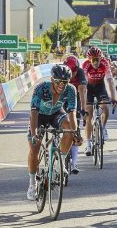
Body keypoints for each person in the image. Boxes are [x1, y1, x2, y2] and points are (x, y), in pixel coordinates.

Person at [26, 65, 77, 200]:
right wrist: (35, 133)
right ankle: (32, 184)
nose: (62, 85)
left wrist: (75, 132)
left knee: (70, 131)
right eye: (58, 81)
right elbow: (34, 112)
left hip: (56, 114)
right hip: (39, 116)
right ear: (51, 79)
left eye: (65, 82)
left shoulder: (71, 90)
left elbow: (72, 113)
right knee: (34, 149)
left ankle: (59, 162)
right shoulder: (41, 88)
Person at [82, 46, 116, 155]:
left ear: (101, 58)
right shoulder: (85, 65)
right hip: (89, 88)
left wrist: (113, 98)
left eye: (97, 59)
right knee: (89, 114)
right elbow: (83, 85)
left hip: (100, 87)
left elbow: (110, 81)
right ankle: (88, 144)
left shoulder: (105, 64)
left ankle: (103, 127)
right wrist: (83, 104)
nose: (95, 62)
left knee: (105, 108)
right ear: (89, 59)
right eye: (93, 59)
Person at [64, 55, 88, 174]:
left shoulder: (80, 72)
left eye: (74, 71)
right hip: (63, 97)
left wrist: (83, 109)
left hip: (76, 97)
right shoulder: (63, 71)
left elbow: (83, 90)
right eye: (71, 72)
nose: (72, 74)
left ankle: (74, 163)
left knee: (75, 128)